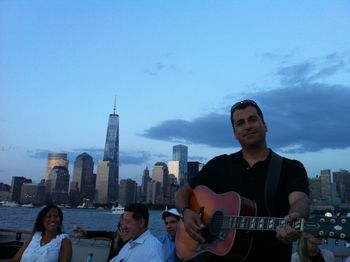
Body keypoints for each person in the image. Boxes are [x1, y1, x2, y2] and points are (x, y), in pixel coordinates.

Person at [175, 99, 310, 262]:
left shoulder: (290, 168)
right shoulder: (219, 165)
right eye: (240, 123)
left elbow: (300, 199)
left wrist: (294, 216)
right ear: (234, 133)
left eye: (253, 119)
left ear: (265, 125)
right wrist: (186, 212)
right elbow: (182, 192)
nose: (247, 126)